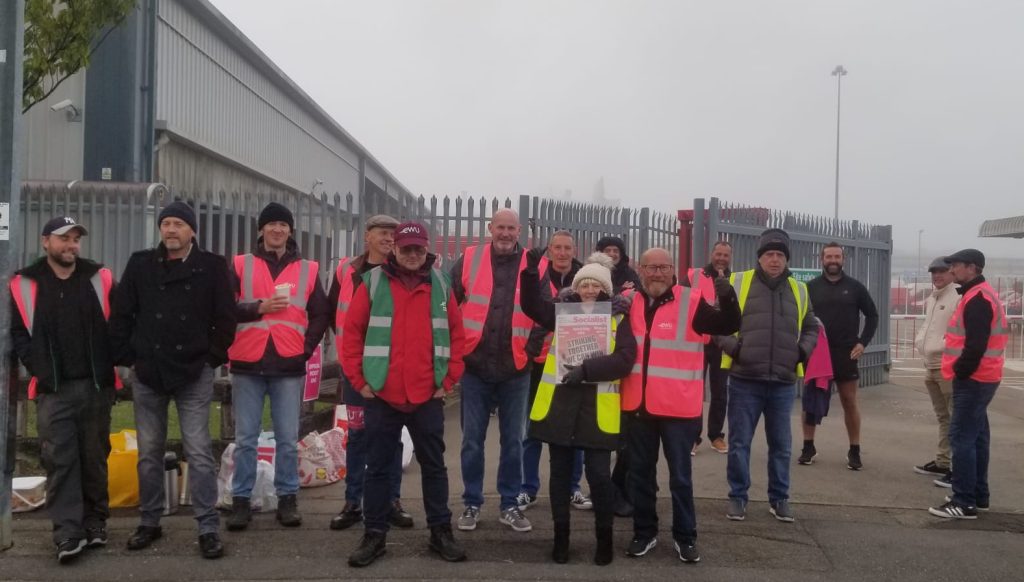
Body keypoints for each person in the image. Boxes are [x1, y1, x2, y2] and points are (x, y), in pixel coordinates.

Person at [110, 201, 237, 559]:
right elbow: (122, 313)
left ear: (192, 231)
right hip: (148, 372)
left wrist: (211, 359)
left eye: (178, 224)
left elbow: (225, 318)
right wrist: (129, 358)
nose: (170, 230)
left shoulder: (212, 267)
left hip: (193, 370)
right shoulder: (140, 264)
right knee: (148, 453)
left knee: (197, 451)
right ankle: (149, 521)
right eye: (166, 223)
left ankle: (207, 526)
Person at [342, 222, 468, 566]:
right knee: (378, 469)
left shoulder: (442, 284)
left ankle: (440, 532)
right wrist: (359, 381)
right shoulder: (371, 282)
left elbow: (458, 335)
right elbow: (351, 335)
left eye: (418, 249)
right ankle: (375, 535)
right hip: (382, 395)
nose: (412, 255)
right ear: (394, 250)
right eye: (405, 249)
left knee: (434, 468)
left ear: (427, 251)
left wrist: (448, 380)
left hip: (427, 395)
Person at [9, 217, 117, 564]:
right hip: (53, 389)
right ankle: (67, 532)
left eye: (75, 239)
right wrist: (36, 365)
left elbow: (120, 321)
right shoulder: (24, 283)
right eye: (63, 239)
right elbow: (17, 334)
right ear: (45, 243)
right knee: (59, 460)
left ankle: (95, 522)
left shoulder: (98, 278)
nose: (70, 245)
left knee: (95, 457)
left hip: (96, 386)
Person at [623, 248, 740, 564]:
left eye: (664, 267)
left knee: (681, 478)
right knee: (641, 476)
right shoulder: (628, 303)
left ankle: (685, 537)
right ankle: (644, 533)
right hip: (638, 407)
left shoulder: (691, 302)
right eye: (651, 267)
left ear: (673, 270)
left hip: (678, 409)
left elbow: (727, 323)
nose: (657, 273)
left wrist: (728, 298)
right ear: (640, 269)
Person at [520, 251, 636, 565]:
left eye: (595, 286)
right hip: (561, 406)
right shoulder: (562, 311)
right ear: (576, 287)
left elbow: (625, 359)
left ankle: (604, 540)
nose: (589, 290)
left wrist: (586, 371)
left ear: (605, 290)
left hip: (597, 410)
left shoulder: (619, 318)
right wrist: (531, 272)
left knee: (599, 476)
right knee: (559, 477)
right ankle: (561, 541)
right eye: (583, 284)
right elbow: (531, 305)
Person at [225, 202, 330, 531]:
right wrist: (259, 308)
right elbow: (223, 309)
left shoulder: (308, 269)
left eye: (283, 225)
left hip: (288, 363)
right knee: (246, 439)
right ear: (261, 230)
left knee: (287, 438)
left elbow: (320, 314)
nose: (277, 230)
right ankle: (240, 500)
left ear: (290, 231)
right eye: (270, 224)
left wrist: (306, 348)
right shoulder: (241, 264)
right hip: (247, 362)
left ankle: (288, 498)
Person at [450, 208, 547, 533]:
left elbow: (544, 313)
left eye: (511, 228)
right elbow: (448, 304)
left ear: (519, 231)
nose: (505, 233)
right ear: (490, 228)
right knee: (472, 442)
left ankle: (509, 504)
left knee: (514, 441)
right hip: (475, 365)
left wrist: (531, 350)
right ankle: (471, 504)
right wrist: (456, 348)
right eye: (500, 227)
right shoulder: (470, 258)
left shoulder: (536, 264)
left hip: (516, 368)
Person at [716, 228, 818, 524]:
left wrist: (802, 351)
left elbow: (812, 326)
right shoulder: (737, 282)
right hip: (745, 378)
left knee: (782, 446)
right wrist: (735, 348)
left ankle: (780, 498)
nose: (775, 260)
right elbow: (716, 322)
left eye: (780, 255)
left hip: (783, 381)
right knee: (739, 443)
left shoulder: (799, 289)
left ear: (787, 260)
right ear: (760, 258)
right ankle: (737, 497)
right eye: (769, 254)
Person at [327, 214, 414, 530]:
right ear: (367, 236)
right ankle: (353, 502)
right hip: (354, 370)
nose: (389, 238)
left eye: (393, 233)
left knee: (392, 438)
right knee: (358, 433)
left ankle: (392, 501)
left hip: (390, 371)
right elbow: (331, 311)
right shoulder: (346, 270)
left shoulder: (404, 271)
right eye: (382, 232)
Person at [929, 249, 1007, 519]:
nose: (951, 271)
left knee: (961, 437)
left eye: (956, 266)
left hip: (974, 379)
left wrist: (962, 371)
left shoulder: (977, 299)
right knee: (977, 437)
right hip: (983, 377)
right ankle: (978, 495)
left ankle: (963, 501)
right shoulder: (979, 295)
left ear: (972, 268)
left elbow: (975, 344)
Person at [518, 231, 590, 513]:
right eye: (557, 248)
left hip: (573, 365)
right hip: (539, 360)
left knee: (575, 432)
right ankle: (528, 489)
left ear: (574, 250)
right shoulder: (537, 275)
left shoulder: (587, 278)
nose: (562, 253)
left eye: (567, 248)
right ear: (549, 250)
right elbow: (530, 306)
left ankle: (573, 488)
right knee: (532, 428)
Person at [804, 242, 879, 469]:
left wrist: (862, 342)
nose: (833, 260)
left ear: (843, 259)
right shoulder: (811, 287)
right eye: (829, 257)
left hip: (846, 353)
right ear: (821, 259)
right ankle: (808, 446)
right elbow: (800, 318)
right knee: (811, 402)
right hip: (817, 354)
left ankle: (854, 449)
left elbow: (873, 316)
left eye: (837, 256)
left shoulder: (855, 287)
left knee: (849, 401)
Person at [912, 257, 959, 481]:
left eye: (941, 271)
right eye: (933, 272)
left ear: (952, 272)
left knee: (954, 417)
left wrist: (943, 347)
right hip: (930, 365)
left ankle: (957, 469)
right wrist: (921, 342)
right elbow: (929, 326)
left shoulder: (957, 296)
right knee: (943, 417)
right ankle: (943, 462)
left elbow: (959, 331)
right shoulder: (934, 297)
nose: (936, 276)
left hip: (946, 365)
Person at [688, 240, 733, 455]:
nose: (722, 258)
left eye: (726, 255)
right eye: (719, 254)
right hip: (699, 339)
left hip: (722, 342)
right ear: (711, 254)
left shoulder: (735, 280)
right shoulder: (694, 276)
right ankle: (693, 437)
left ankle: (716, 436)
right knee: (695, 389)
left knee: (720, 391)